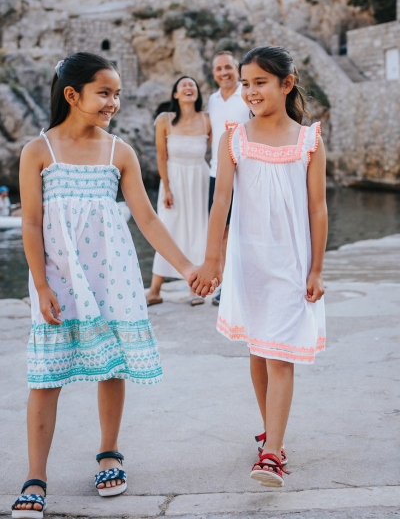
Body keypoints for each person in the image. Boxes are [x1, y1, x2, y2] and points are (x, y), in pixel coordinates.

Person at [12, 53, 216, 519]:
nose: (113, 102)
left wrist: (187, 268)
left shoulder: (118, 151)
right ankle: (35, 477)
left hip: (112, 274)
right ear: (72, 95)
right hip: (58, 279)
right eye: (104, 92)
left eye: (117, 94)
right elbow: (31, 225)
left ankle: (109, 452)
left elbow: (146, 218)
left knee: (111, 366)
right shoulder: (38, 151)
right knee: (45, 377)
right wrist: (40, 285)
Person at [191, 45, 327, 488]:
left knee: (280, 357)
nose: (249, 91)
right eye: (245, 83)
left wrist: (316, 270)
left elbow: (318, 210)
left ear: (287, 84)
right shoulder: (237, 137)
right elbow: (221, 203)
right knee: (258, 349)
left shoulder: (309, 141)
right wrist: (213, 260)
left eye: (259, 82)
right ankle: (272, 430)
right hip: (248, 262)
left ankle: (271, 454)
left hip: (291, 263)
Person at [146, 76, 211, 307]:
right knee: (167, 230)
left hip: (199, 181)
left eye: (192, 85)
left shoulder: (207, 119)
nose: (188, 87)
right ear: (175, 94)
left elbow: (217, 154)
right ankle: (154, 290)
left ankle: (196, 287)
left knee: (198, 231)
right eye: (183, 85)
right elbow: (161, 156)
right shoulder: (165, 119)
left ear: (197, 93)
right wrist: (166, 188)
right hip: (173, 180)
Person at [208, 51, 249, 305]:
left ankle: (241, 282)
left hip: (244, 174)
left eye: (228, 67)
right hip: (215, 172)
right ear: (213, 73)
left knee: (240, 231)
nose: (223, 72)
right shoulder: (212, 100)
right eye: (218, 69)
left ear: (237, 69)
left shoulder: (246, 95)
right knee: (221, 231)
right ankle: (224, 284)